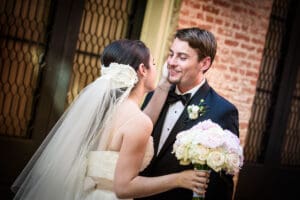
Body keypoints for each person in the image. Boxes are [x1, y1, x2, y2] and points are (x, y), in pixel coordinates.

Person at [11, 39, 209, 200]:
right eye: (155, 63)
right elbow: (124, 187)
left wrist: (165, 85)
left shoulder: (103, 110)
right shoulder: (137, 121)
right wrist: (179, 179)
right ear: (142, 69)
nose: (162, 69)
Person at [137, 27, 239, 200]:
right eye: (171, 54)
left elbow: (221, 184)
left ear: (204, 63)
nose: (171, 62)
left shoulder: (222, 111)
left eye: (182, 57)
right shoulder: (154, 96)